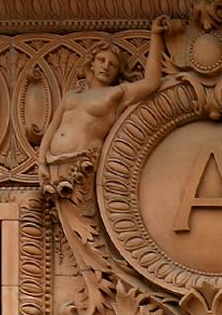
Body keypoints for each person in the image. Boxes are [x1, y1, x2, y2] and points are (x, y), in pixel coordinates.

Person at [38, 17, 168, 194]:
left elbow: (152, 82)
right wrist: (41, 163)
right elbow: (52, 127)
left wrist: (155, 36)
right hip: (54, 164)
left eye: (112, 64)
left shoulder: (116, 94)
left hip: (83, 168)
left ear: (118, 72)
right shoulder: (71, 95)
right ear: (92, 63)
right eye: (101, 60)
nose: (106, 66)